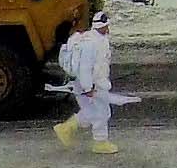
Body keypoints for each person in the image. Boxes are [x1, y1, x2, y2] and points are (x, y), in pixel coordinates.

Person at [51, 8, 126, 153]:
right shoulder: (90, 43)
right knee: (101, 112)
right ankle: (98, 141)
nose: (108, 28)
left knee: (95, 111)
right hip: (91, 85)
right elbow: (85, 68)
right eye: (106, 26)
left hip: (94, 84)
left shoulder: (98, 40)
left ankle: (69, 129)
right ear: (101, 26)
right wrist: (88, 88)